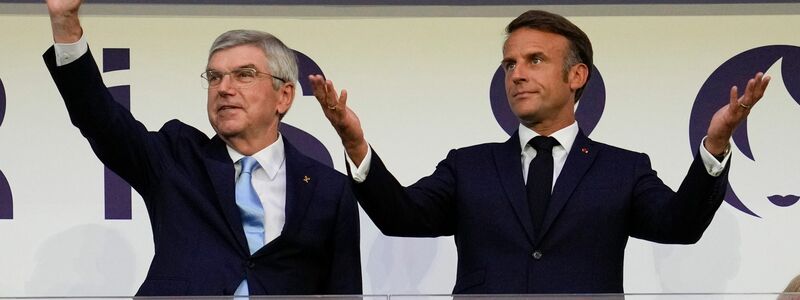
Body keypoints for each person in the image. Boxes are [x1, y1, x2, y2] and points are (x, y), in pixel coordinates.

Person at [309, 10, 770, 294]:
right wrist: (354, 143)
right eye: (509, 63)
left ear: (577, 77)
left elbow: (680, 227)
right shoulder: (468, 166)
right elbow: (402, 217)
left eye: (534, 61)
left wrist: (715, 143)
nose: (516, 74)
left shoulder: (622, 169)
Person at [43, 0, 361, 296]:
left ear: (284, 96)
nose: (224, 88)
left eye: (244, 75)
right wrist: (65, 22)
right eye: (214, 77)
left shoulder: (328, 190)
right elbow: (101, 121)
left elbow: (345, 291)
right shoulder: (175, 158)